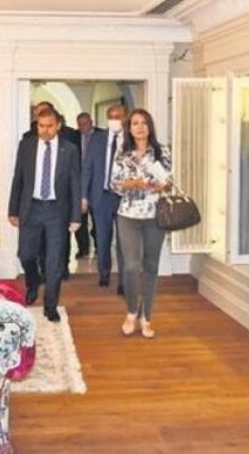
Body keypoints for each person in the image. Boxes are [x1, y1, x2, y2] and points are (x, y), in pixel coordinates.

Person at [8, 106, 81, 322]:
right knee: (26, 255)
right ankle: (33, 283)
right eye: (41, 126)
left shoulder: (70, 149)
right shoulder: (26, 146)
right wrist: (13, 210)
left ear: (58, 126)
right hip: (30, 209)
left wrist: (76, 216)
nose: (45, 130)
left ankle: (50, 306)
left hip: (56, 211)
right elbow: (18, 178)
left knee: (54, 262)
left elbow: (75, 184)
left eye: (49, 126)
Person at [109, 108, 172, 339]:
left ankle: (146, 318)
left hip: (155, 216)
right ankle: (131, 312)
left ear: (149, 126)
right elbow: (114, 184)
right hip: (128, 215)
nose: (140, 127)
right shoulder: (122, 152)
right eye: (135, 123)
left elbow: (168, 181)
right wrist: (132, 183)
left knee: (150, 267)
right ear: (129, 127)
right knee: (131, 266)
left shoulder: (162, 151)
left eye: (144, 122)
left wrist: (161, 185)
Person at [81, 104, 126, 290]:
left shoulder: (131, 139)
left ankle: (124, 280)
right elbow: (87, 168)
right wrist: (84, 195)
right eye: (111, 117)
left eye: (118, 116)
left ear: (125, 117)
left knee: (124, 241)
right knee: (102, 238)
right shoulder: (97, 138)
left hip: (124, 198)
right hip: (101, 196)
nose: (115, 120)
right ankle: (104, 272)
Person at [74, 111, 98, 258]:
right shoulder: (74, 137)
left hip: (96, 183)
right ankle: (83, 248)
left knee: (97, 217)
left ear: (91, 122)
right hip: (78, 182)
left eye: (86, 123)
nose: (83, 127)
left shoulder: (101, 135)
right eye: (80, 124)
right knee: (80, 217)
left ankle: (99, 247)